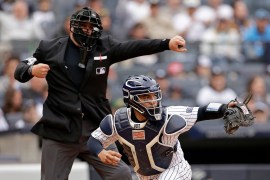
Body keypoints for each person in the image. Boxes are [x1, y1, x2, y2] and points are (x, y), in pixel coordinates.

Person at [14, 6, 187, 180]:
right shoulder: (50, 48)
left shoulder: (104, 46)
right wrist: (31, 70)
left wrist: (166, 43)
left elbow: (134, 46)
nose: (88, 31)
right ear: (72, 26)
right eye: (84, 26)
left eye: (92, 27)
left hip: (96, 130)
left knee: (121, 174)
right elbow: (21, 68)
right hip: (60, 129)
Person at [87, 74, 237, 180]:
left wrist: (225, 108)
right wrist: (100, 152)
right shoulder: (118, 121)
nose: (153, 101)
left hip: (175, 169)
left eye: (154, 95)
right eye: (146, 97)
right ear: (131, 99)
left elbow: (202, 112)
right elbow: (94, 140)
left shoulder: (170, 114)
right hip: (145, 175)